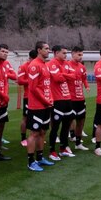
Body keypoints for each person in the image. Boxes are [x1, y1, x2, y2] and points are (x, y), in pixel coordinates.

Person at [25, 41, 55, 171]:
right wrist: (45, 100)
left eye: (48, 48)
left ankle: (40, 158)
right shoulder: (34, 65)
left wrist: (50, 99)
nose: (48, 51)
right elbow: (33, 87)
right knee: (34, 133)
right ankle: (31, 162)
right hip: (36, 106)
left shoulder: (45, 65)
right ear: (39, 50)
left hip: (46, 105)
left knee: (42, 132)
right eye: (46, 49)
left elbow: (47, 85)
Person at [47, 45, 76, 160]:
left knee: (67, 124)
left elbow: (74, 76)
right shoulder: (52, 64)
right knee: (55, 126)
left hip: (67, 98)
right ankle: (52, 151)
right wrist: (66, 76)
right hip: (57, 99)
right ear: (56, 53)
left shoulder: (67, 63)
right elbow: (57, 78)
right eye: (63, 53)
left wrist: (64, 75)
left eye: (66, 53)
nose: (66, 55)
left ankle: (63, 148)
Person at [67, 46, 90, 151]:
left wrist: (87, 86)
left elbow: (84, 79)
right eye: (79, 54)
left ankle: (78, 142)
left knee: (81, 120)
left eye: (82, 54)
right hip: (70, 98)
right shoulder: (67, 65)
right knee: (68, 121)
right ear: (72, 54)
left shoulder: (82, 67)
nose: (81, 57)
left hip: (80, 98)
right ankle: (65, 144)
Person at [17, 50, 37, 147]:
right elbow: (20, 80)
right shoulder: (24, 66)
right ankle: (23, 138)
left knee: (37, 118)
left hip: (38, 96)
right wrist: (32, 81)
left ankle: (34, 136)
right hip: (28, 96)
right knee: (26, 118)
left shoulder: (39, 65)